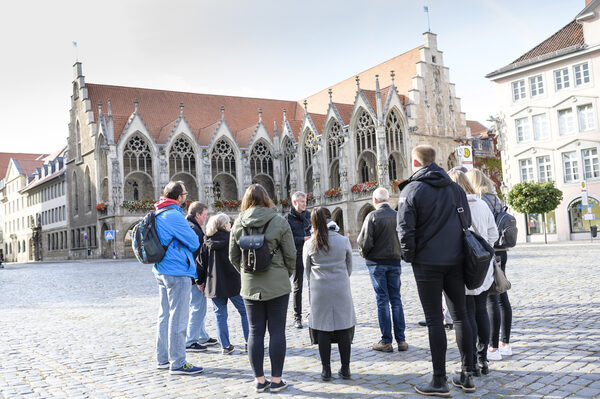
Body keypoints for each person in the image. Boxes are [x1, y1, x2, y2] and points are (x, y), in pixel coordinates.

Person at [397, 145, 476, 396]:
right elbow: (467, 221)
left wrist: (410, 256)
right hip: (456, 259)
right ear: (435, 161)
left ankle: (439, 380)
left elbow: (404, 229)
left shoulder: (412, 189)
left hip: (428, 263)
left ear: (415, 162)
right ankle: (467, 375)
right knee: (461, 316)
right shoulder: (455, 188)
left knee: (434, 321)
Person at [229, 184, 297, 393]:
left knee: (255, 333)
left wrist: (246, 273)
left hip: (250, 285)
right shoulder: (278, 221)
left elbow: (232, 256)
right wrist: (284, 274)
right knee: (277, 331)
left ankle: (259, 379)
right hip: (277, 284)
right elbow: (291, 254)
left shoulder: (238, 222)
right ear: (266, 199)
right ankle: (276, 380)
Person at [449, 170, 499, 376]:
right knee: (481, 311)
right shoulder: (482, 204)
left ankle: (469, 363)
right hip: (482, 265)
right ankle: (482, 359)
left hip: (461, 266)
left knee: (466, 314)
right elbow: (493, 235)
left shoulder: (452, 206)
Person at [153, 181, 203, 375]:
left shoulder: (158, 211)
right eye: (185, 193)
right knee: (178, 317)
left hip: (162, 270)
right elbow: (194, 241)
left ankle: (163, 359)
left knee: (164, 315)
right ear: (179, 196)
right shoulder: (173, 214)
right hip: (177, 270)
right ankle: (178, 362)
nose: (185, 196)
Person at [304, 207, 356, 381]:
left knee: (323, 331)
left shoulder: (309, 243)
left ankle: (326, 370)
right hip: (340, 288)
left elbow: (307, 270)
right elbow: (349, 267)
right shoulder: (343, 241)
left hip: (320, 290)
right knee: (343, 329)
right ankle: (346, 368)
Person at [467, 168, 513, 361]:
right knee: (501, 294)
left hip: (488, 251)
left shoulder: (481, 200)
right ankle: (505, 343)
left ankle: (492, 347)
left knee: (491, 298)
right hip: (502, 250)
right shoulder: (495, 198)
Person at [357, 187, 408, 353]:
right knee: (396, 300)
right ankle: (401, 340)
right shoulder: (397, 215)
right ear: (388, 199)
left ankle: (386, 341)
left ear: (374, 200)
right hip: (394, 262)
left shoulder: (372, 216)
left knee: (382, 300)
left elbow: (364, 242)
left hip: (377, 263)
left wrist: (365, 255)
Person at [198, 213, 249, 355]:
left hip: (215, 284)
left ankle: (225, 346)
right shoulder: (232, 239)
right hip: (234, 282)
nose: (230, 225)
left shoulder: (207, 242)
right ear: (224, 225)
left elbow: (201, 264)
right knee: (245, 312)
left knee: (220, 315)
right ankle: (249, 342)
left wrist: (200, 282)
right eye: (228, 223)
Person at [185, 202, 217, 352]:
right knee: (198, 307)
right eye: (204, 214)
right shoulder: (195, 231)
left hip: (190, 273)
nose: (206, 217)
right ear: (197, 215)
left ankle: (202, 336)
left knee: (197, 306)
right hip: (193, 275)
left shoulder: (190, 226)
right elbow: (198, 257)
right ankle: (190, 340)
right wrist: (200, 279)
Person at [285, 191, 311, 329]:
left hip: (311, 254)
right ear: (295, 202)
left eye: (305, 201)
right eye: (302, 201)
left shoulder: (308, 215)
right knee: (298, 286)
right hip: (297, 254)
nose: (304, 203)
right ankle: (297, 317)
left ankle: (314, 312)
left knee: (314, 284)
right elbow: (287, 240)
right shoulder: (288, 218)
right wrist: (303, 239)